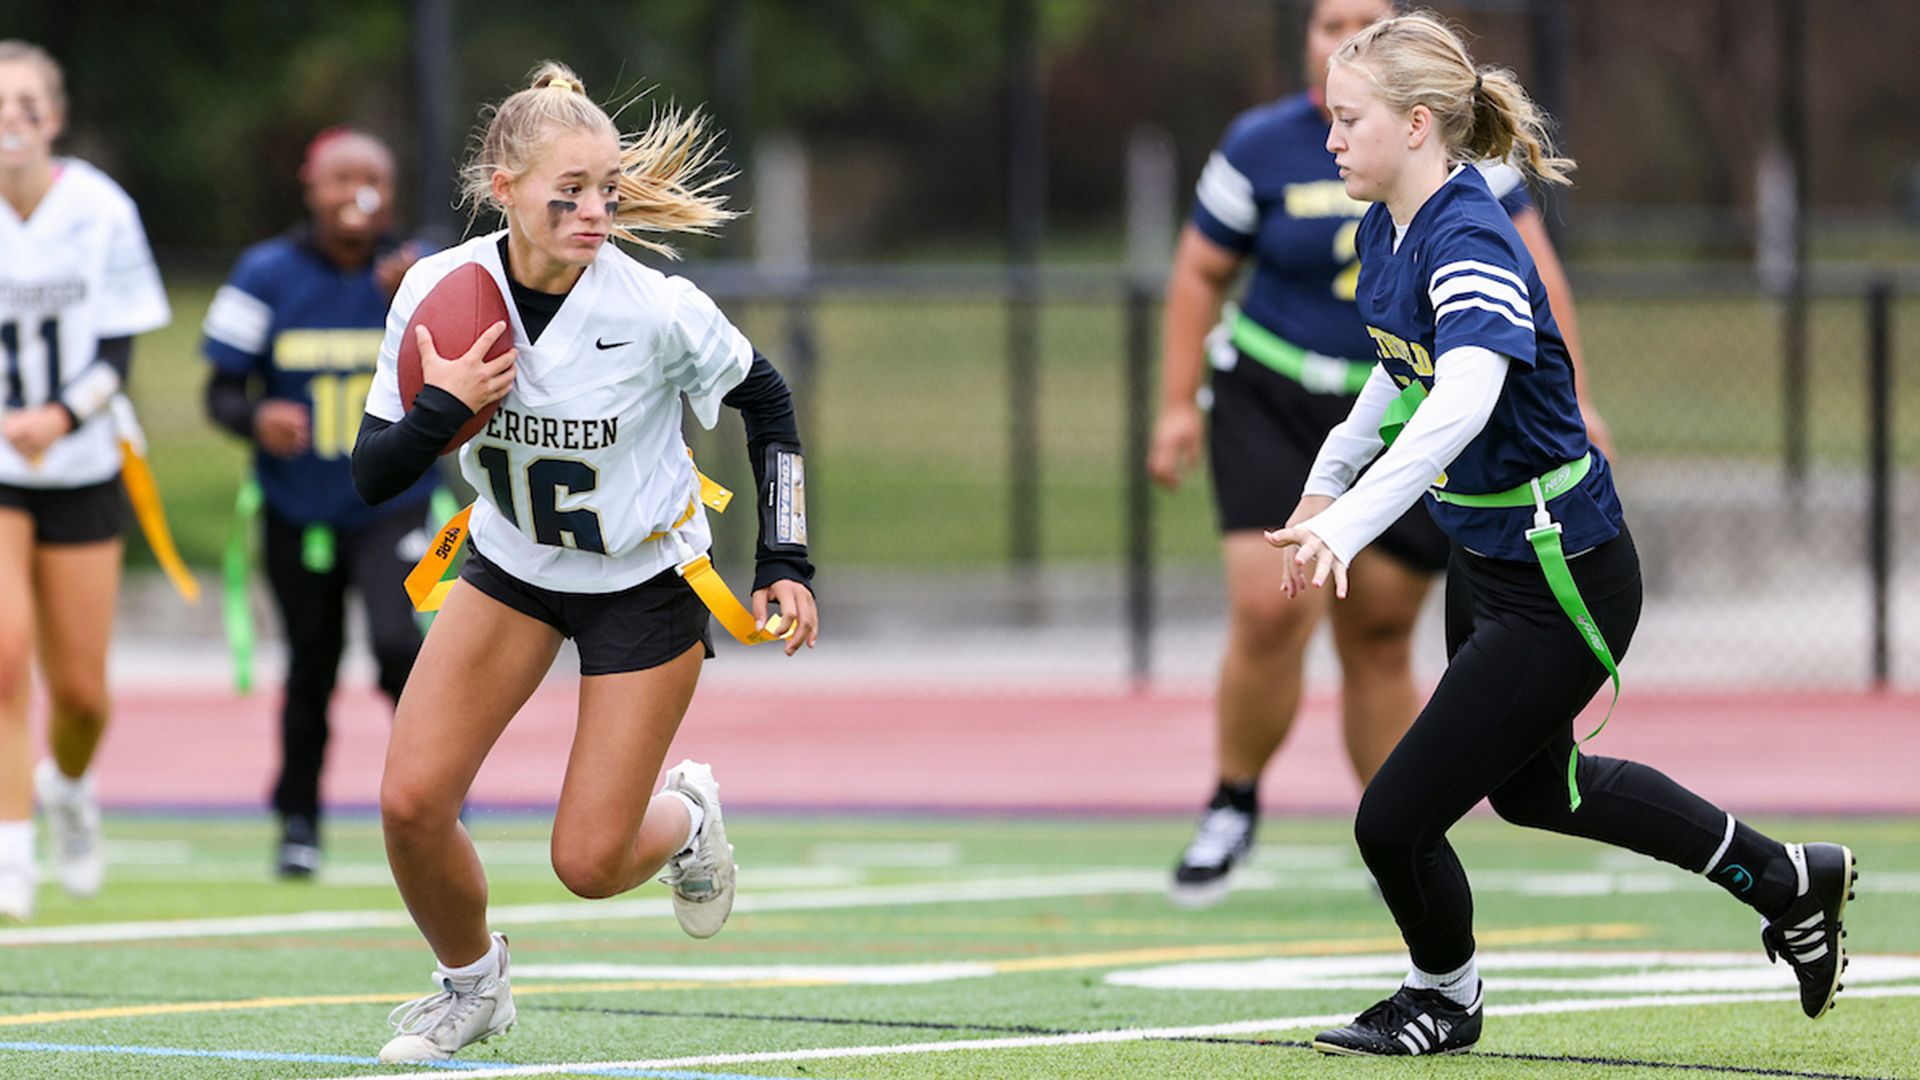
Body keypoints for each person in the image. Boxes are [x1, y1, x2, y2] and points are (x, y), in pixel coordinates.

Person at [1261, 13, 1853, 1055]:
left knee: (1391, 820)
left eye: (1349, 119)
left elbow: (1465, 398)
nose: (1331, 138)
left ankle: (1445, 997)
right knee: (1542, 790)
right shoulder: (1384, 228)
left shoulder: (1469, 230)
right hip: (1491, 561)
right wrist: (1324, 487)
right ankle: (1786, 881)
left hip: (1562, 568)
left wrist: (1353, 524)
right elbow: (1397, 381)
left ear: (1416, 123)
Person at [350, 63, 817, 1062]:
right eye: (571, 191)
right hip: (512, 566)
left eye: (609, 187)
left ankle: (686, 815)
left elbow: (766, 399)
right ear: (503, 185)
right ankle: (472, 987)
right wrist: (446, 402)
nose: (598, 209)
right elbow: (372, 473)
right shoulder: (441, 290)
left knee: (590, 863)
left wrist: (786, 555)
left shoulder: (652, 308)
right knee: (408, 804)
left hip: (643, 583)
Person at [1149, 0, 1609, 906]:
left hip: (1450, 433)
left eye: (1364, 22)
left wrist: (1577, 397)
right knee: (1270, 609)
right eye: (1328, 23)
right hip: (1278, 394)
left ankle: (1398, 828)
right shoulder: (1286, 154)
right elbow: (1207, 272)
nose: (1341, 38)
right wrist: (1185, 412)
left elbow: (1475, 360)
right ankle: (1236, 800)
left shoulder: (1454, 192)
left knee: (1381, 632)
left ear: (1417, 114)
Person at [202, 128, 433, 879]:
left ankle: (432, 789)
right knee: (311, 665)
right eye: (341, 178)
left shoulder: (425, 270)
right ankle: (298, 818)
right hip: (298, 504)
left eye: (371, 177)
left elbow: (482, 367)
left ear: (391, 191)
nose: (355, 192)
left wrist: (418, 309)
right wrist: (256, 419)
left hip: (397, 502)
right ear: (311, 186)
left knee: (402, 646)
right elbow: (221, 390)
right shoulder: (266, 273)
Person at [0, 41, 171, 922]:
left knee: (81, 694)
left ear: (53, 118)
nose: (12, 120)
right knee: (3, 654)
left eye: (27, 103)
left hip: (80, 464)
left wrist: (56, 419)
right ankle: (10, 852)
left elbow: (117, 353)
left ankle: (67, 785)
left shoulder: (100, 211)